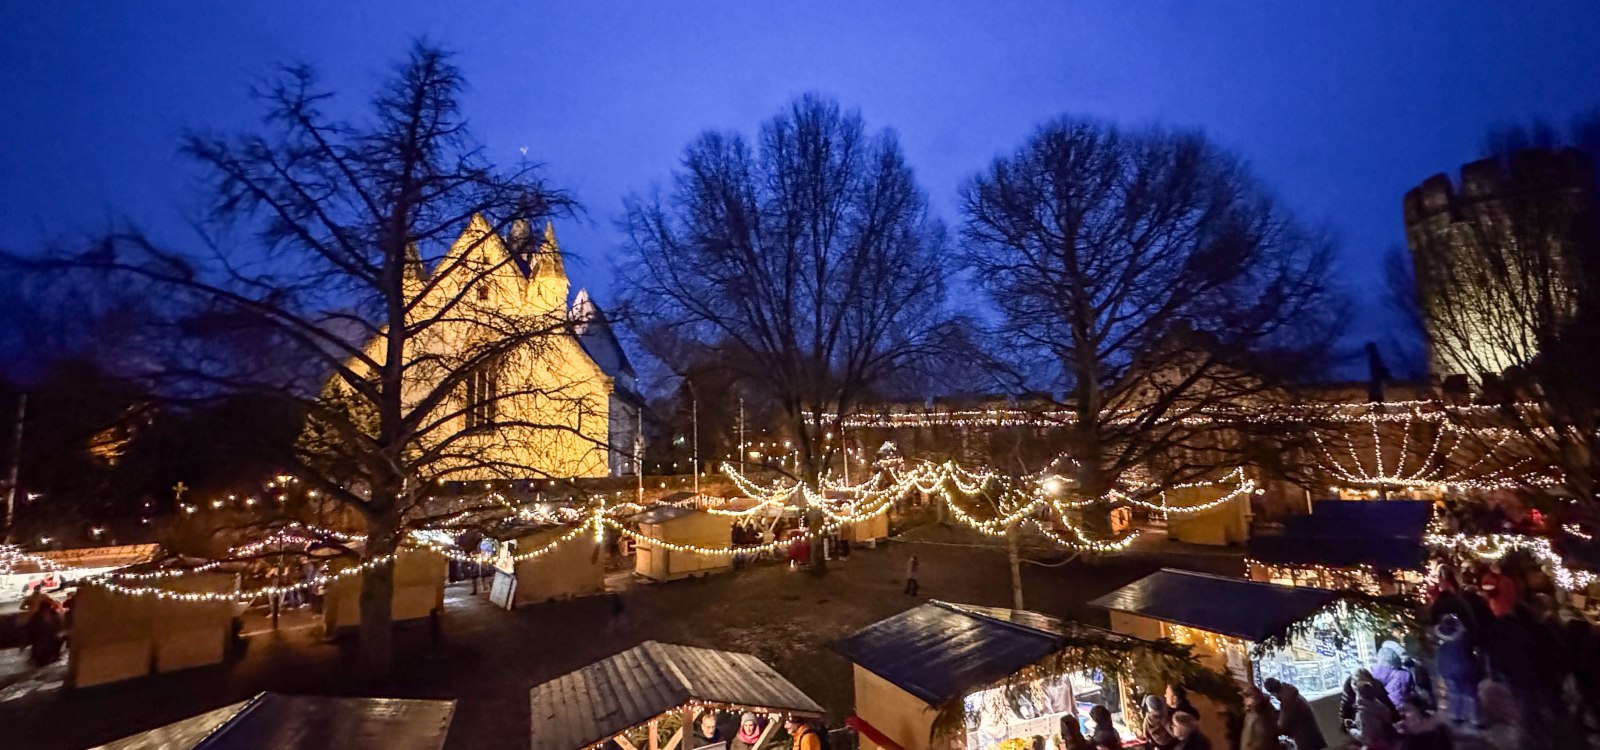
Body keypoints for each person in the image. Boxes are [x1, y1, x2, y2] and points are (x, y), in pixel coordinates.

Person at [1432, 614, 1480, 727]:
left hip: (1448, 671)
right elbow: (1471, 653)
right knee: (1470, 694)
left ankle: (1457, 715)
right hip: (1465, 670)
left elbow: (1439, 658)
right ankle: (1474, 718)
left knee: (1454, 693)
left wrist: (1440, 671)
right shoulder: (1464, 639)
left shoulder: (1442, 642)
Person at [1263, 678, 1326, 750]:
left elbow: (1283, 723)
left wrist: (1272, 730)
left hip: (1304, 737)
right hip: (1309, 734)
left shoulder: (1288, 699)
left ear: (1273, 692)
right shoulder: (1290, 693)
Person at [1355, 679, 1400, 750]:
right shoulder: (1378, 703)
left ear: (1359, 694)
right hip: (1388, 737)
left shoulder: (1363, 710)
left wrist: (1356, 733)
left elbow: (1366, 732)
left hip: (1376, 742)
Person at [1372, 642, 1417, 709]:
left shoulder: (1375, 672)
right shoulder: (1404, 674)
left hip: (1383, 709)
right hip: (1401, 708)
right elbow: (1403, 695)